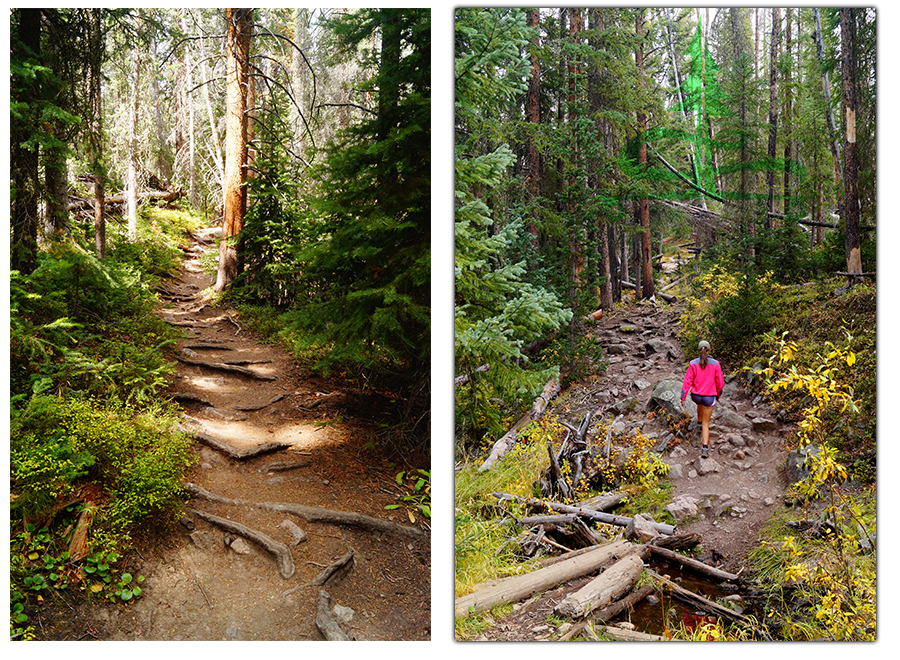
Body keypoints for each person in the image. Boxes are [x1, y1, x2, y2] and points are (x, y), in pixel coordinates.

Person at [681, 340, 724, 459]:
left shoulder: (693, 363)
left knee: (699, 403)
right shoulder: (715, 364)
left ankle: (699, 422)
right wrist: (718, 394)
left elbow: (687, 381)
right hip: (709, 397)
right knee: (707, 423)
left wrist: (683, 397)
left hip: (696, 396)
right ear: (709, 350)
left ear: (699, 350)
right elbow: (720, 382)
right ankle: (705, 447)